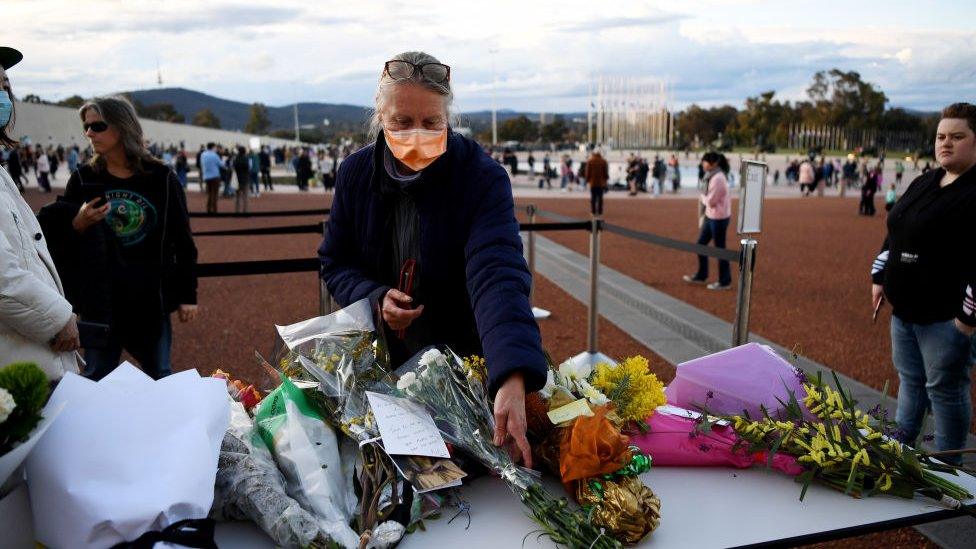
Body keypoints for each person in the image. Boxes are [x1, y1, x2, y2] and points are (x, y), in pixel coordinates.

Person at [319, 51, 546, 467]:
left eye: (431, 123)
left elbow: (497, 273)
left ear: (448, 119)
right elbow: (335, 262)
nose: (417, 134)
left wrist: (511, 373)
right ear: (379, 116)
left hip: (464, 363)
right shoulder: (354, 175)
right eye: (401, 123)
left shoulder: (480, 178)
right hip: (381, 367)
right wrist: (374, 298)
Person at [47, 96, 197, 381]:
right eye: (87, 127)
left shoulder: (161, 177)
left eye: (98, 126)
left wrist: (188, 296)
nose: (89, 133)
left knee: (161, 378)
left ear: (122, 126)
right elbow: (56, 242)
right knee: (96, 379)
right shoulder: (83, 178)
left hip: (149, 302)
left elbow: (183, 240)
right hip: (100, 303)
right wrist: (77, 224)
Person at [870, 103, 976, 464]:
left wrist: (965, 322)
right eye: (941, 136)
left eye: (957, 137)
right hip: (905, 313)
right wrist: (880, 277)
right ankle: (902, 450)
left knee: (945, 390)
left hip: (945, 319)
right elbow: (896, 231)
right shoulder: (925, 181)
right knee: (911, 382)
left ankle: (947, 464)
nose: (946, 143)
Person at [0, 45, 81, 380]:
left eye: (5, 87)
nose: (4, 96)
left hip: (24, 356)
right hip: (17, 369)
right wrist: (59, 317)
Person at [683, 151, 732, 290]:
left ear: (714, 163)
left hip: (719, 217)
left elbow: (711, 201)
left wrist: (701, 197)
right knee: (701, 245)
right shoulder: (711, 175)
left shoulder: (718, 178)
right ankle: (702, 274)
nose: (703, 164)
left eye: (705, 161)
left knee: (720, 249)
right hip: (712, 216)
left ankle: (724, 281)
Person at [584, 149, 608, 216]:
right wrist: (605, 179)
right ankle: (600, 212)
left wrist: (587, 180)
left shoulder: (590, 161)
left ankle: (593, 211)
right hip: (601, 182)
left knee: (593, 197)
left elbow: (587, 172)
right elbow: (605, 172)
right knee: (600, 197)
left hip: (593, 182)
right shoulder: (603, 161)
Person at [200, 142, 222, 213]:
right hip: (215, 176)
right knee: (215, 194)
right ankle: (214, 210)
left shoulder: (203, 154)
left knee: (209, 194)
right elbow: (221, 164)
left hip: (206, 176)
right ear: (212, 147)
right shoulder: (215, 155)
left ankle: (208, 209)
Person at [233, 145, 250, 213]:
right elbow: (248, 167)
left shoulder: (236, 159)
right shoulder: (246, 158)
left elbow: (234, 167)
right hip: (245, 179)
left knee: (237, 197)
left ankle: (237, 211)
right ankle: (245, 211)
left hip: (237, 179)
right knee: (245, 197)